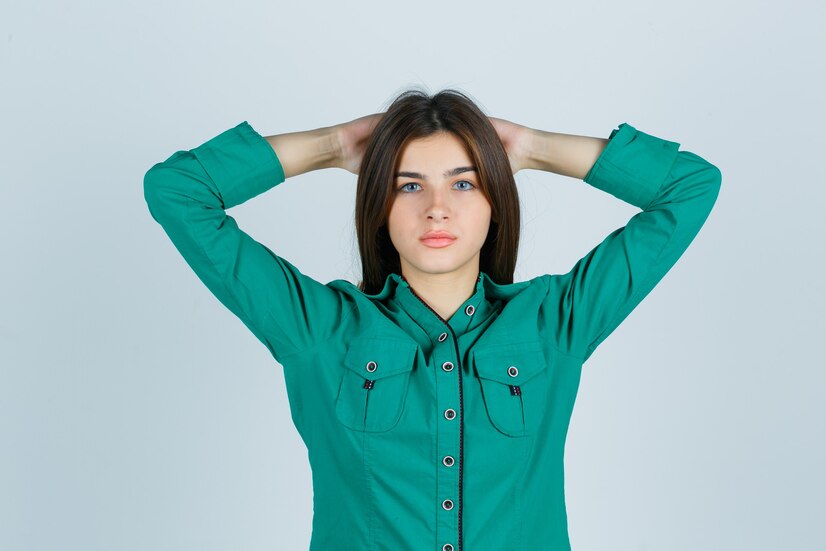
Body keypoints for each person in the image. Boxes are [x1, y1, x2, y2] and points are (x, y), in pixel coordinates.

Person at [143, 88, 722, 551]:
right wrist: (333, 144)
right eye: (408, 185)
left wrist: (530, 147)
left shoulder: (554, 324)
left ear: (496, 205)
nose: (437, 207)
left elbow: (691, 186)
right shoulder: (317, 332)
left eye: (465, 182)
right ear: (378, 209)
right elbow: (177, 190)